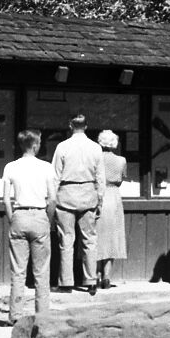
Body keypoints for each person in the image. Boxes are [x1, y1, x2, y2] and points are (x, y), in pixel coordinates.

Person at [2, 129, 57, 322]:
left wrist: (13, 218)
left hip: (19, 215)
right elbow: (52, 199)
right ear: (35, 145)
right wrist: (47, 220)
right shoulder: (46, 167)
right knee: (41, 271)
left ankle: (15, 315)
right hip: (39, 214)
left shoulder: (10, 167)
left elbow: (6, 200)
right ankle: (42, 315)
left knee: (18, 271)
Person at [51, 113, 105, 295]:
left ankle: (66, 282)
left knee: (66, 240)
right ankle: (90, 280)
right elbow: (101, 177)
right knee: (89, 240)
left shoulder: (62, 147)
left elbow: (55, 176)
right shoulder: (95, 148)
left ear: (70, 125)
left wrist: (51, 199)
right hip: (88, 194)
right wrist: (100, 199)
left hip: (66, 194)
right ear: (86, 126)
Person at [95, 129, 128, 288]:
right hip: (114, 196)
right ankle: (107, 277)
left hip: (98, 196)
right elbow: (121, 180)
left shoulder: (95, 158)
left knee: (95, 237)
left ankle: (95, 275)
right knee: (112, 238)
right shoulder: (121, 160)